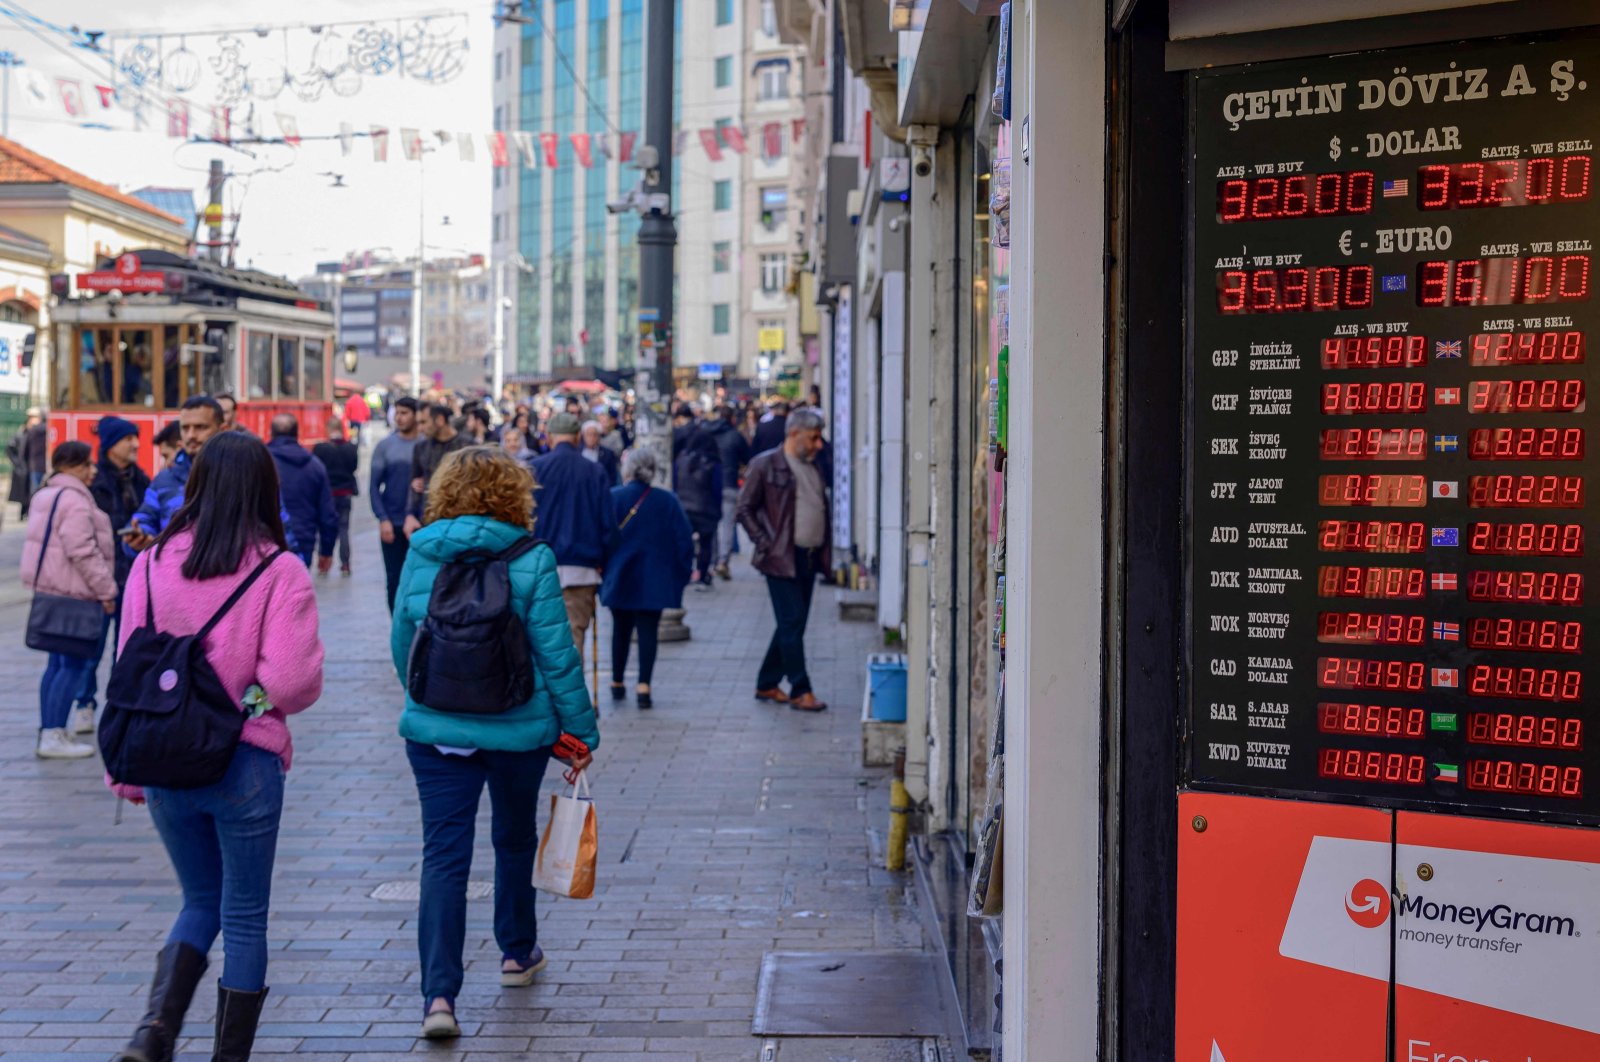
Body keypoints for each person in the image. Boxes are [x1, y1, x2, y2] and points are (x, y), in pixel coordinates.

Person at [112, 430, 324, 1062]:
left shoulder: (149, 564)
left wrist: (126, 773)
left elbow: (128, 668)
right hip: (244, 764)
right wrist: (249, 706)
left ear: (196, 483)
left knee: (199, 900)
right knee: (246, 914)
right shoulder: (277, 569)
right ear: (266, 489)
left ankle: (153, 1033)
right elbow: (291, 680)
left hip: (162, 764)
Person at [391, 447, 600, 1041]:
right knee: (513, 839)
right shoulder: (531, 557)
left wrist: (426, 700)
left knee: (444, 857)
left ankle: (439, 997)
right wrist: (580, 732)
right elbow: (557, 656)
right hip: (518, 728)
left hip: (435, 733)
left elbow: (402, 637)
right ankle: (516, 954)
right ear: (515, 493)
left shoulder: (421, 550)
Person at [20, 441, 116, 759]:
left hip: (51, 591)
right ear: (73, 466)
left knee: (56, 665)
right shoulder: (74, 501)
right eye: (88, 465)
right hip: (75, 594)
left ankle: (49, 730)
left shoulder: (46, 494)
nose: (93, 471)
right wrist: (107, 589)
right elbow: (82, 551)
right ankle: (54, 736)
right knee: (72, 665)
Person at [736, 408, 831, 711]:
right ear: (794, 434)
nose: (819, 444)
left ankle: (766, 682)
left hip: (809, 556)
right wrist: (766, 543)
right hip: (780, 558)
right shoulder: (766, 464)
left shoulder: (813, 465)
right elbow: (744, 509)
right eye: (813, 438)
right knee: (791, 621)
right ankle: (800, 689)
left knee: (794, 622)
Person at [74, 416, 151, 735]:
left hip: (132, 578)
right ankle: (84, 704)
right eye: (127, 439)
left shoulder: (141, 479)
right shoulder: (94, 480)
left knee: (127, 647)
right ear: (110, 445)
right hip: (101, 579)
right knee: (92, 648)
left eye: (135, 438)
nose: (135, 444)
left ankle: (119, 704)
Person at [600, 449, 692, 709]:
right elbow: (683, 541)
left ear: (627, 469)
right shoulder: (667, 501)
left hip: (620, 575)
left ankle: (616, 681)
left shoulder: (613, 497)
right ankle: (644, 686)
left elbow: (602, 537)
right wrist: (680, 575)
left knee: (620, 629)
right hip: (655, 578)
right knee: (648, 631)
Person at [530, 412, 616, 660]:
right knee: (574, 637)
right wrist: (603, 561)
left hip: (542, 565)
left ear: (549, 437)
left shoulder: (536, 469)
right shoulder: (594, 471)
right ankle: (570, 696)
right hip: (583, 567)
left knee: (542, 637)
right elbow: (607, 523)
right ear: (578, 437)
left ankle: (549, 697)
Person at [125, 396, 228, 550]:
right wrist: (139, 537)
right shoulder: (164, 480)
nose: (191, 435)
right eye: (185, 428)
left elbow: (273, 525)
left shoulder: (245, 475)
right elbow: (144, 518)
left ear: (223, 430)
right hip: (175, 571)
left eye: (200, 427)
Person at [267, 414, 338, 571]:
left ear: (270, 433)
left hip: (265, 542)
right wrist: (326, 550)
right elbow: (328, 513)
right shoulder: (314, 465)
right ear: (296, 434)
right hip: (302, 540)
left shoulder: (259, 461)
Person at [371, 396, 421, 611]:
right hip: (392, 522)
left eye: (404, 413)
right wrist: (383, 519)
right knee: (394, 579)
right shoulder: (385, 446)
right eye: (397, 413)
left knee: (418, 579)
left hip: (421, 524)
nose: (399, 418)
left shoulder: (426, 445)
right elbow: (374, 487)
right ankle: (397, 625)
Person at [404, 403, 470, 540]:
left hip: (461, 523)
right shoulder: (421, 448)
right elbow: (414, 483)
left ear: (439, 420)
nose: (420, 428)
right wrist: (410, 515)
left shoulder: (468, 447)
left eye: (423, 422)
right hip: (428, 522)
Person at [672, 412, 722, 591]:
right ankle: (701, 574)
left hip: (685, 508)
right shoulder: (713, 463)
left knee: (685, 542)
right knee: (706, 543)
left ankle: (685, 572)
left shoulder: (681, 460)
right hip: (706, 509)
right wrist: (718, 509)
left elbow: (675, 484)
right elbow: (717, 489)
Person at [703, 405, 750, 580]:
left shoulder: (706, 433)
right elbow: (748, 458)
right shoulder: (735, 436)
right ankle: (723, 561)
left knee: (712, 524)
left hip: (709, 484)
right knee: (728, 524)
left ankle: (713, 560)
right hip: (729, 483)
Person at [313, 420, 360, 576]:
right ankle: (345, 564)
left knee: (324, 528)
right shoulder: (351, 448)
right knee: (344, 529)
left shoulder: (320, 449)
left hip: (327, 494)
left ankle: (323, 562)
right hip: (345, 493)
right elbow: (354, 467)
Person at [579, 419, 619, 485]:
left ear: (599, 436)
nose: (591, 438)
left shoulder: (608, 454)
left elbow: (612, 477)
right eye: (588, 434)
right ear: (583, 436)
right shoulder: (577, 452)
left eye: (595, 434)